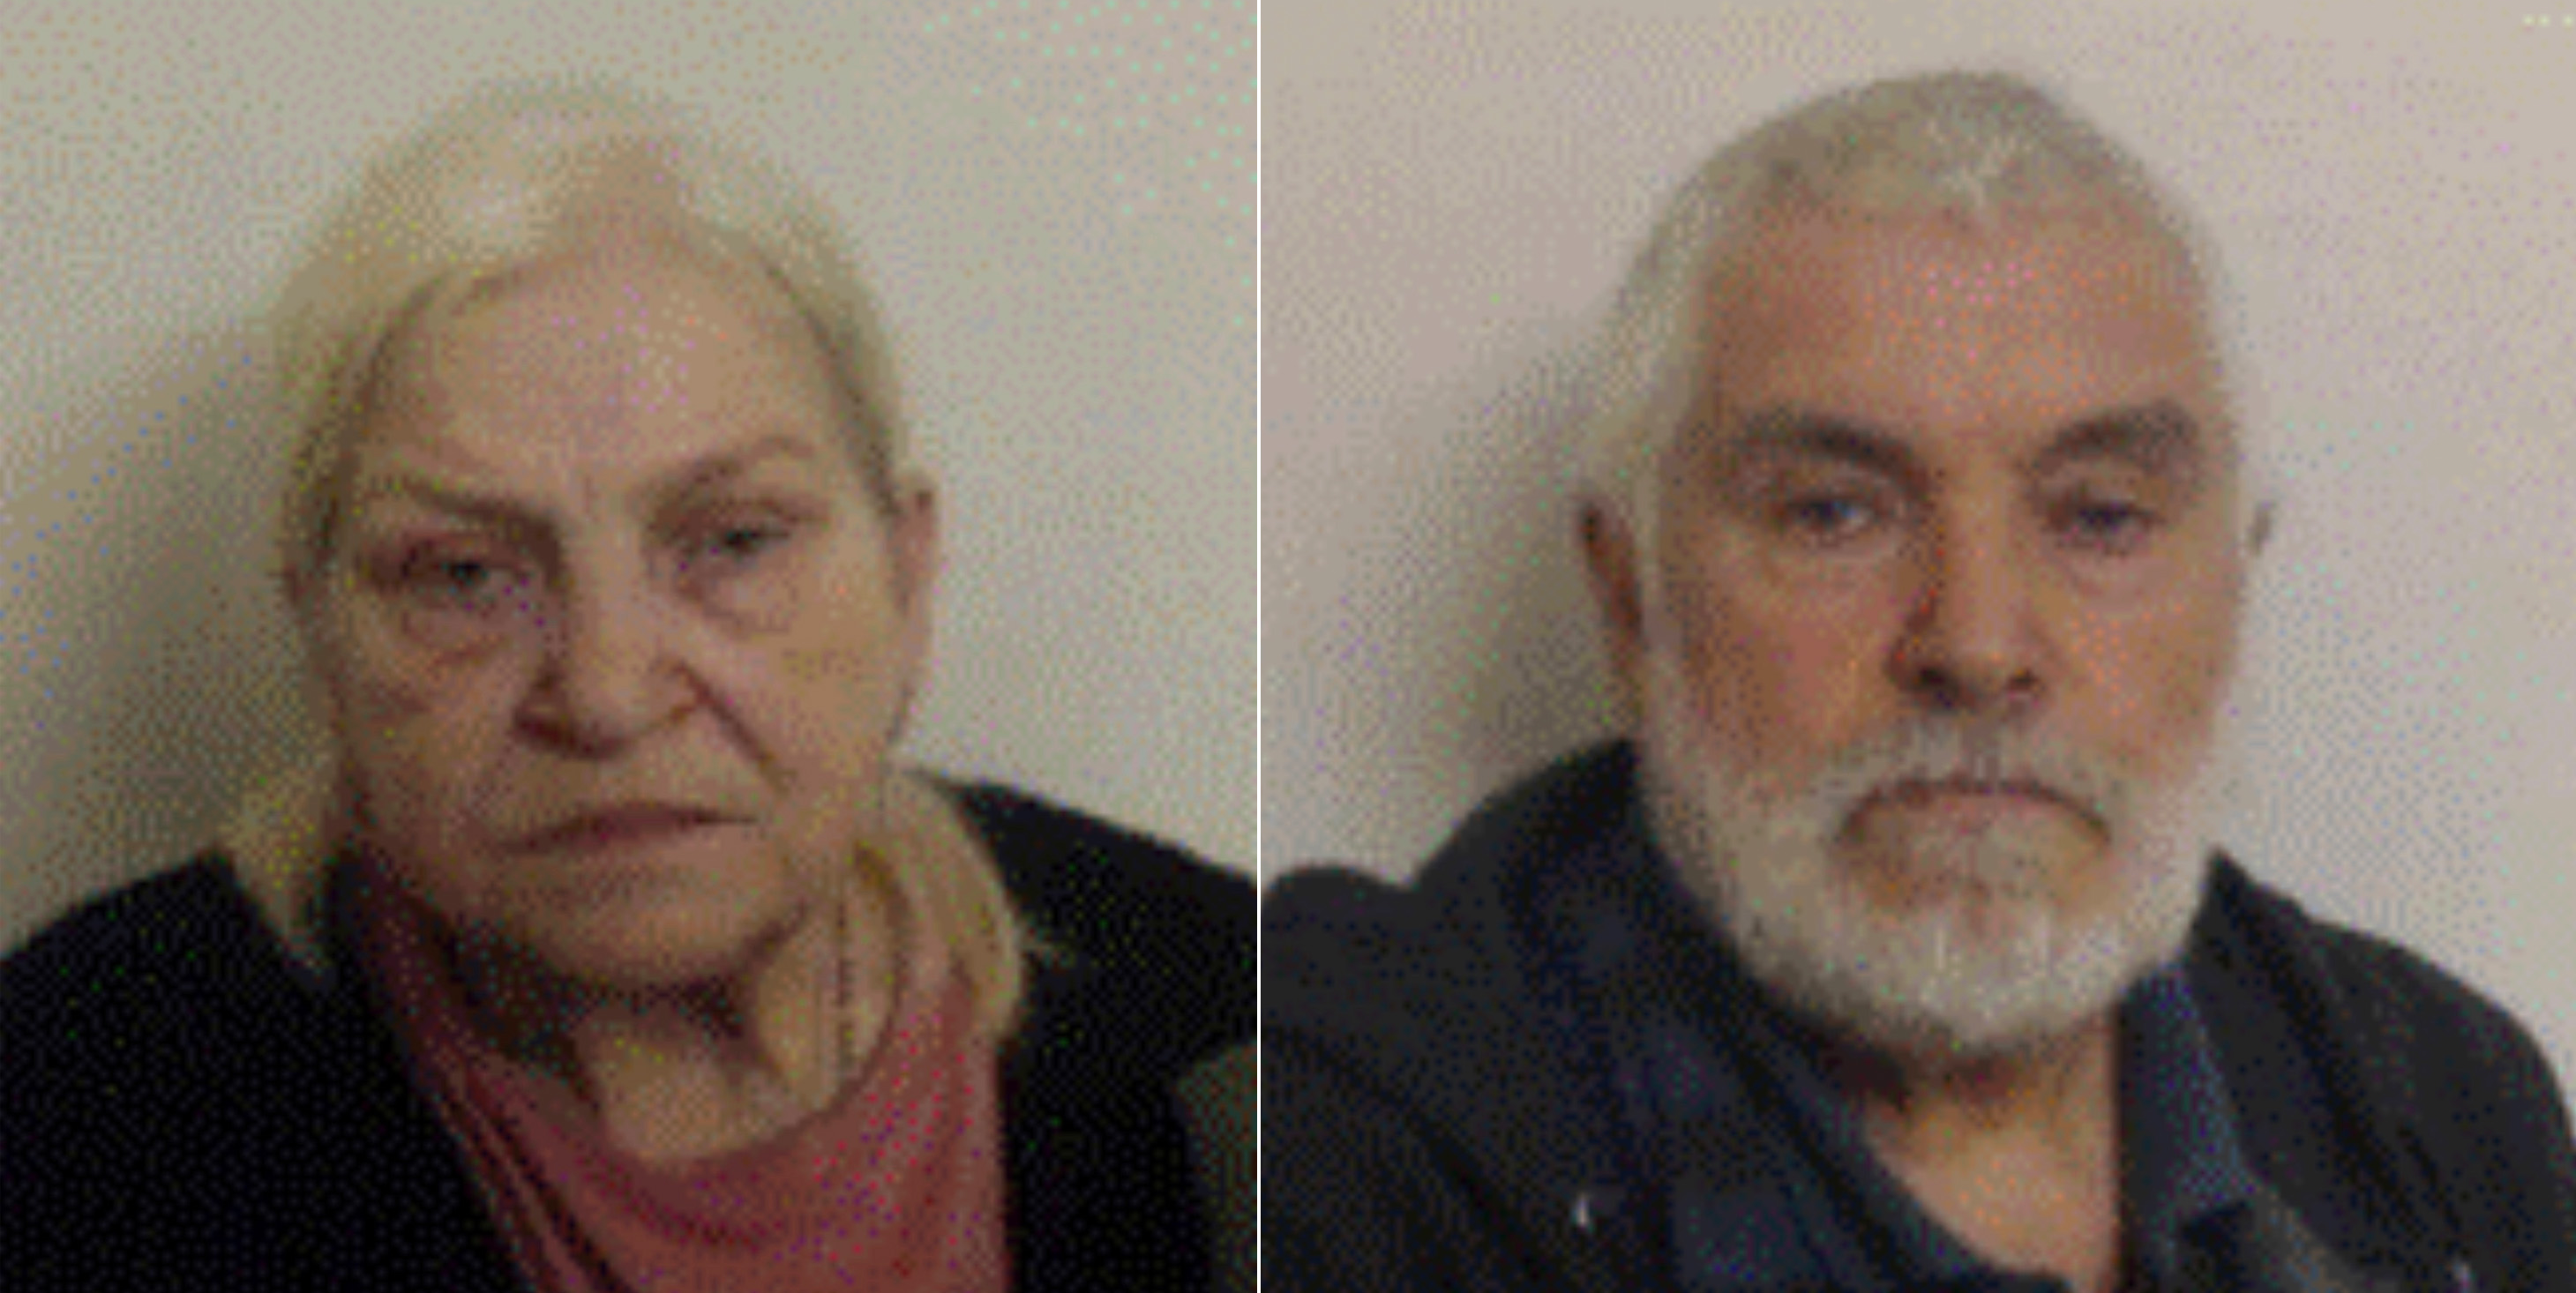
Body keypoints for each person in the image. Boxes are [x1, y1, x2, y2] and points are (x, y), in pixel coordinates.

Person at [1264, 71, 2576, 1292]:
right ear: (1630, 597)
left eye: (2102, 518)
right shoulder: (1332, 1146)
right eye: (1836, 513)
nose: (1978, 643)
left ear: (2239, 583)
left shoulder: (2449, 1106)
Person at [0, 81, 1253, 1293]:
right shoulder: (72, 1109)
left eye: (733, 541)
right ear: (321, 632)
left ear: (908, 575)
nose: (604, 695)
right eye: (466, 572)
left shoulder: (1237, 1031)